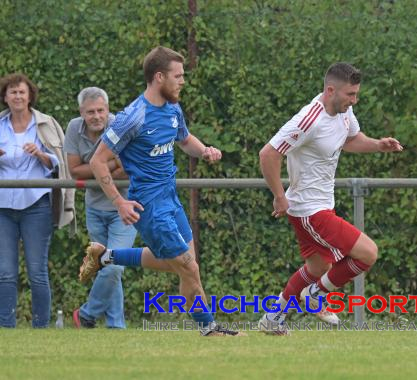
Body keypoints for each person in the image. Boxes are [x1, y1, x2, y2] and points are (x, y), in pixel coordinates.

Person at [78, 46, 243, 336]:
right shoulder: (133, 116)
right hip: (150, 206)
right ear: (158, 77)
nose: (182, 81)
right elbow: (97, 160)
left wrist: (204, 151)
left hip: (171, 198)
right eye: (177, 76)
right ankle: (209, 329)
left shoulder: (172, 108)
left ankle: (107, 257)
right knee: (188, 267)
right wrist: (119, 202)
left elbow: (184, 139)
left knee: (183, 265)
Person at [257, 62, 403, 335]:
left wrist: (378, 145)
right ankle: (315, 295)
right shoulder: (308, 119)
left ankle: (272, 319)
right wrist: (279, 196)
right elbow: (268, 154)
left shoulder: (343, 113)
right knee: (368, 253)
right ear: (330, 90)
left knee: (318, 266)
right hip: (309, 210)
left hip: (320, 206)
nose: (354, 100)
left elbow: (350, 139)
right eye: (350, 95)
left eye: (356, 94)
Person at [0, 73, 75, 328]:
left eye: (22, 92)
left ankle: (41, 328)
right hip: (3, 207)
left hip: (37, 206)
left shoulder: (46, 124)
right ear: (5, 97)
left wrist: (41, 155)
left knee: (37, 272)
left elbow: (59, 164)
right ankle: (6, 328)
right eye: (13, 92)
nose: (18, 96)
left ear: (30, 96)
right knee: (6, 273)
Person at [64, 87, 137, 329]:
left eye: (100, 111)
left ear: (108, 110)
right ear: (81, 113)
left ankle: (86, 314)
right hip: (94, 208)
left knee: (114, 263)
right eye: (90, 112)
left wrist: (98, 167)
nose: (96, 116)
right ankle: (116, 326)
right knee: (107, 265)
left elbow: (129, 166)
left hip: (125, 206)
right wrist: (107, 166)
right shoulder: (74, 128)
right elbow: (74, 170)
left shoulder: (120, 125)